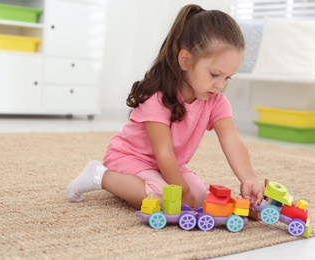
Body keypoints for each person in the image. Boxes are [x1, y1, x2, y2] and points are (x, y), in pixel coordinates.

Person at [66, 4, 264, 209]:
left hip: (168, 167)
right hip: (130, 158)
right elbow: (164, 153)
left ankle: (145, 184)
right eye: (214, 75)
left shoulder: (216, 101)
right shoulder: (157, 97)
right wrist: (182, 191)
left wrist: (248, 178)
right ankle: (100, 176)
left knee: (200, 198)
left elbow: (231, 139)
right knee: (165, 201)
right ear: (185, 60)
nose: (220, 85)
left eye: (227, 77)